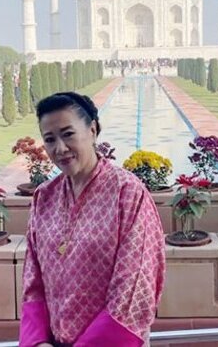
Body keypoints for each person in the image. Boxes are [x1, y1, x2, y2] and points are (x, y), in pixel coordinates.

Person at [20, 92, 165, 347]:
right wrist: (37, 341)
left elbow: (133, 291)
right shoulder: (44, 197)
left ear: (93, 130)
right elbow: (33, 280)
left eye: (68, 134)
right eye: (50, 139)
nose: (60, 149)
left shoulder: (127, 193)